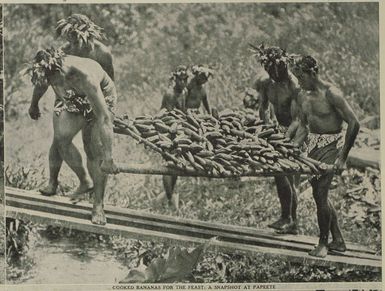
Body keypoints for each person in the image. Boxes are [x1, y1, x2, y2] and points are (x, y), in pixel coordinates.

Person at [26, 48, 118, 225]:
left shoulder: (85, 76)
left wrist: (109, 157)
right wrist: (34, 105)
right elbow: (41, 84)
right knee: (61, 139)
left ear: (60, 71)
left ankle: (98, 205)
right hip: (74, 97)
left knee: (94, 150)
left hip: (101, 98)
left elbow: (105, 118)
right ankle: (84, 181)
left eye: (53, 81)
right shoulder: (48, 70)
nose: (51, 85)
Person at [28, 14, 115, 197]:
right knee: (60, 139)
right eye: (70, 40)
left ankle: (97, 199)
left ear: (88, 35)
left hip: (95, 92)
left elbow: (108, 83)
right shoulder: (63, 52)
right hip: (68, 92)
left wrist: (102, 112)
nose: (74, 44)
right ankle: (56, 182)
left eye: (77, 39)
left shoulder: (102, 53)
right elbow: (45, 80)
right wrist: (34, 103)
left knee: (92, 145)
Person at [289, 55, 360, 257]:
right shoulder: (303, 96)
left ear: (313, 73)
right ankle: (338, 240)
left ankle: (323, 243)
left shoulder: (332, 94)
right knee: (319, 194)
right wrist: (294, 147)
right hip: (313, 145)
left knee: (320, 194)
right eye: (296, 77)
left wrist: (342, 157)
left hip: (332, 145)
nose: (299, 81)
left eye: (301, 77)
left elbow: (354, 123)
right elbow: (303, 126)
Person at [251, 44, 300, 234]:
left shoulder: (293, 85)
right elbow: (263, 107)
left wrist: (285, 139)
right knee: (279, 175)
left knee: (290, 176)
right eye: (270, 71)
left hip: (295, 132)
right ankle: (285, 216)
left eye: (277, 71)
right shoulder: (266, 83)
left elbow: (298, 118)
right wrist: (266, 127)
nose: (275, 74)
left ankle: (294, 222)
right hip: (277, 130)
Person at [159, 66, 189, 209]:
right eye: (181, 79)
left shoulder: (184, 91)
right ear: (175, 79)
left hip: (178, 127)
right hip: (167, 128)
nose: (183, 82)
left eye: (186, 79)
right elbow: (170, 116)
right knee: (167, 161)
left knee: (176, 162)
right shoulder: (170, 94)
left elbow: (183, 111)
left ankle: (170, 195)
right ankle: (170, 197)